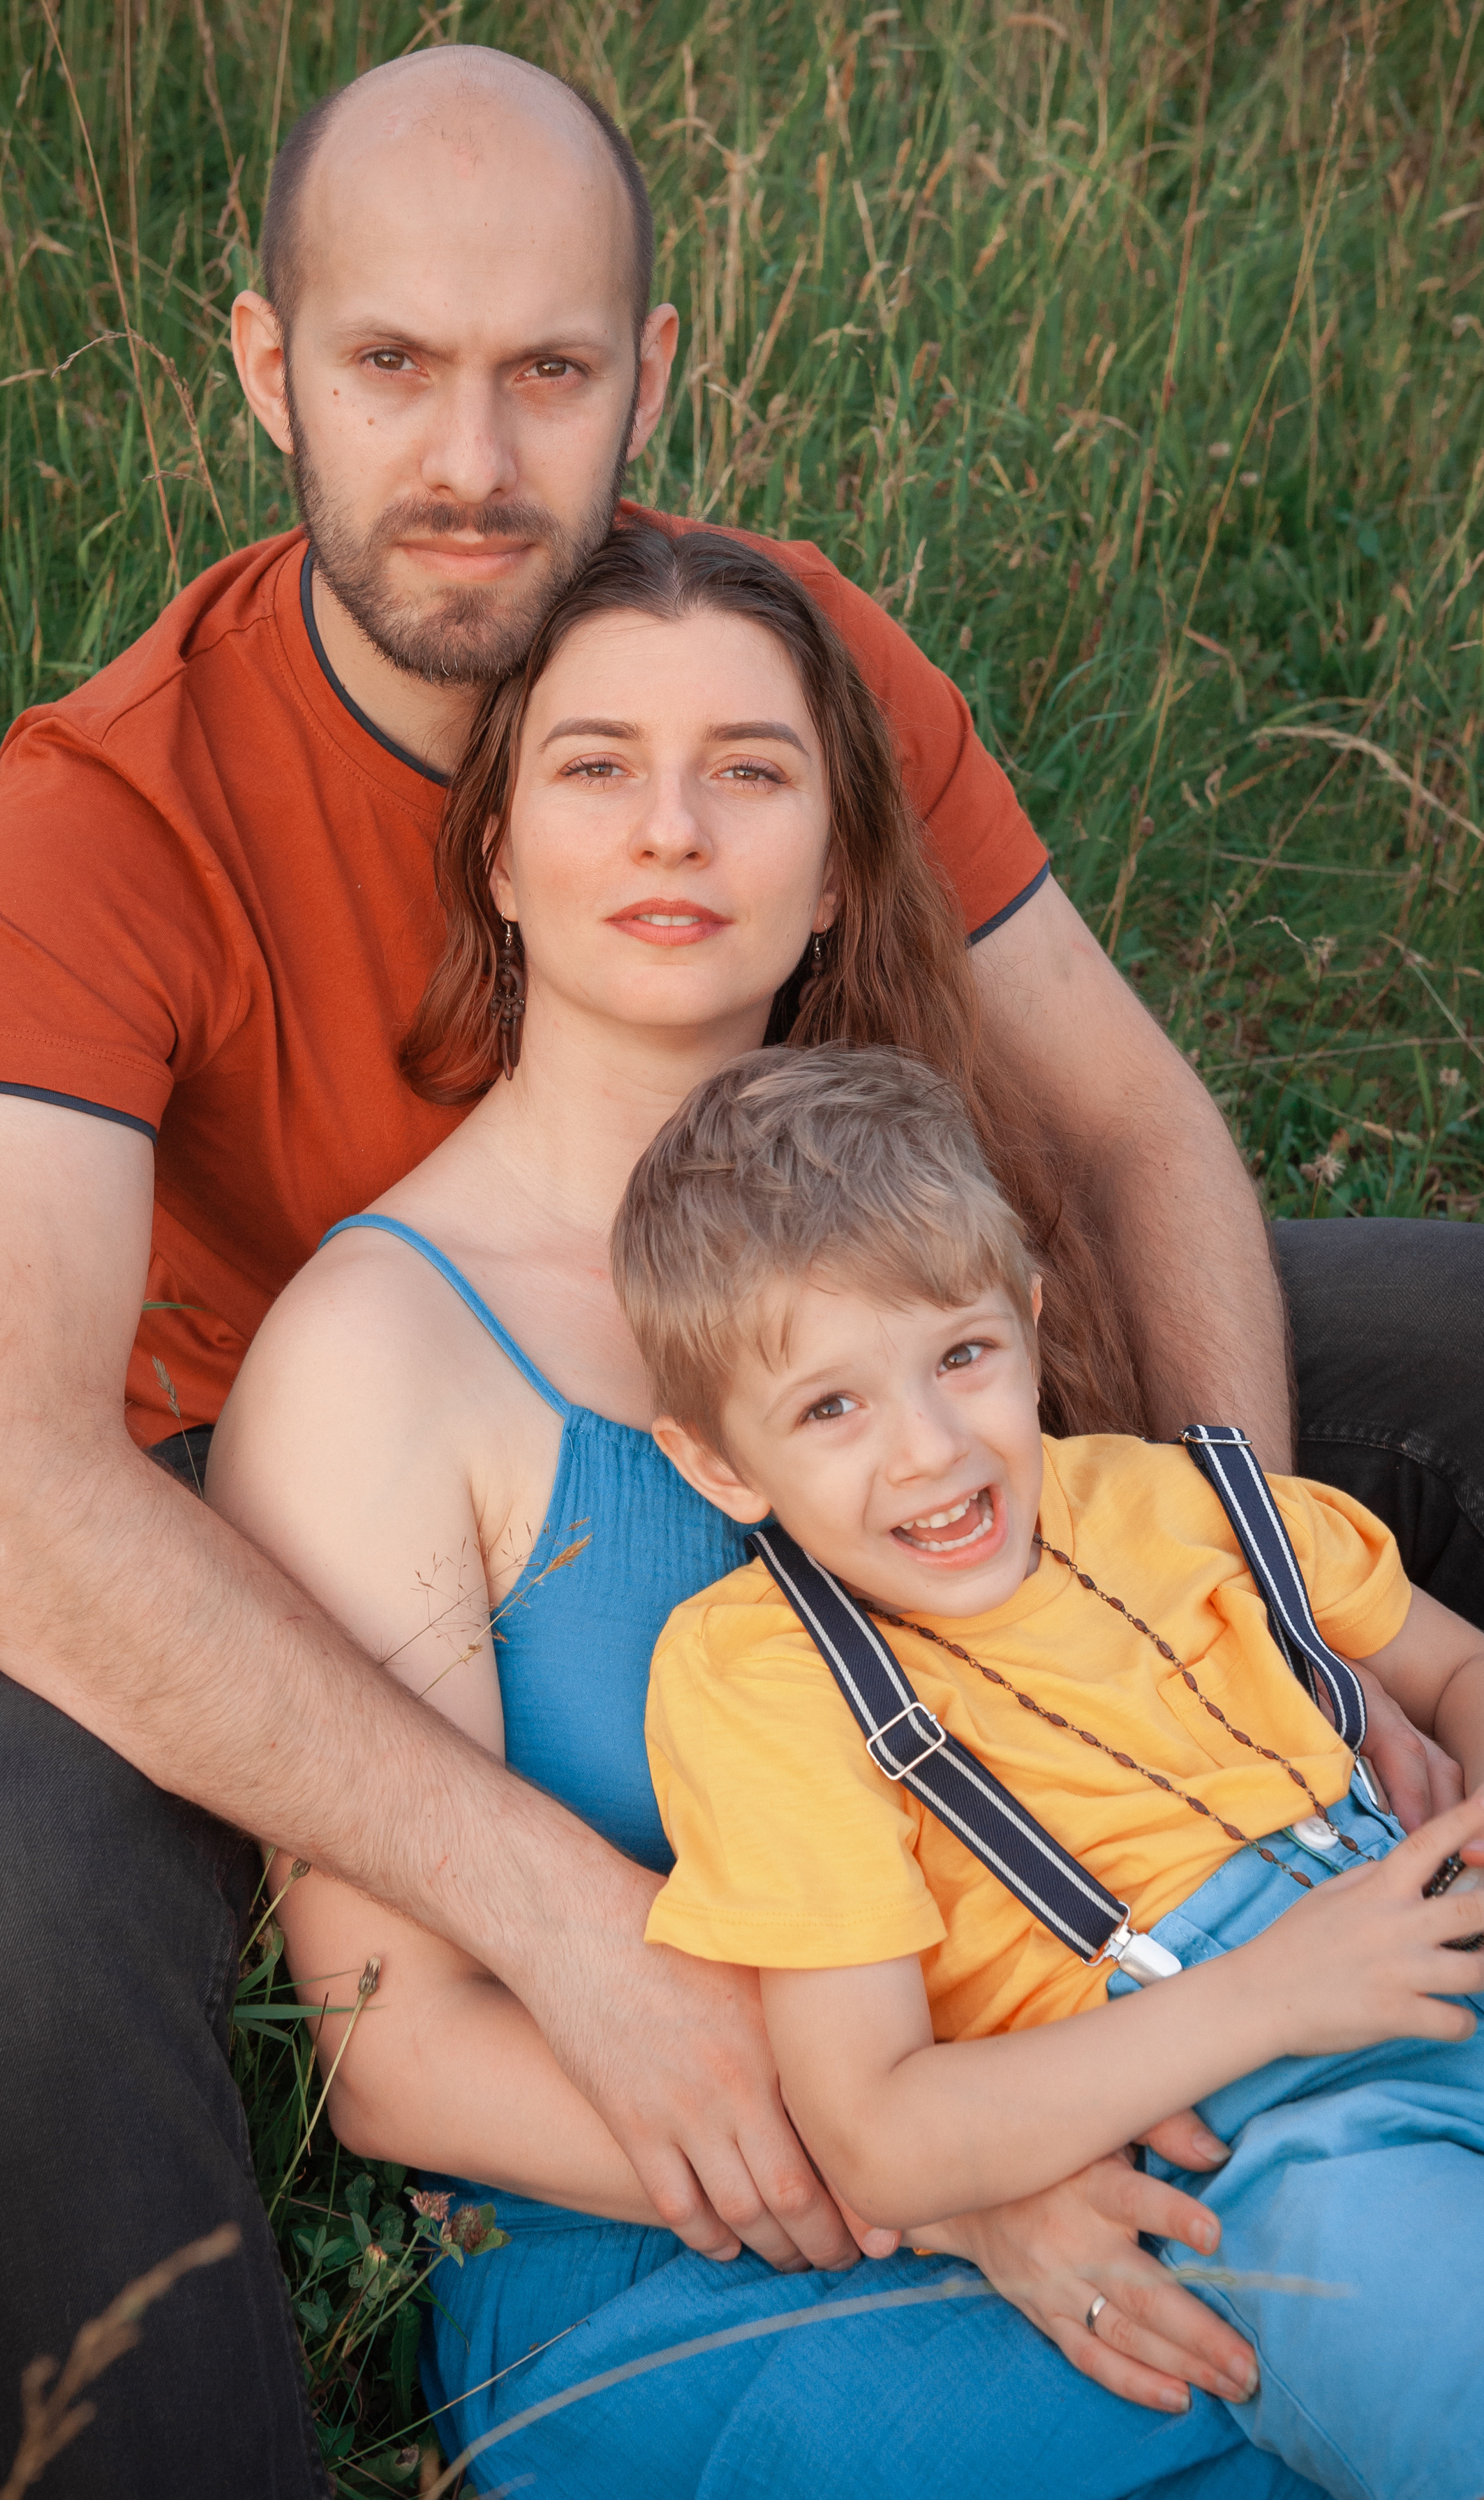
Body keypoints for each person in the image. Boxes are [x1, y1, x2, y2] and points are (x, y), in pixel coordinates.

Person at [0, 36, 1484, 2498]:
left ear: (649, 373)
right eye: (392, 365)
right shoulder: (115, 808)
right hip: (249, 1470)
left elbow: (1130, 1117)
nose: (469, 458)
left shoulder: (763, 645)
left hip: (857, 1285)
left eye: (546, 372)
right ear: (266, 369)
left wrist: (1223, 1641)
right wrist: (553, 1906)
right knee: (1, 1854)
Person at [208, 518, 1330, 2497]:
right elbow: (399, 2056)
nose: (672, 832)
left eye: (749, 770)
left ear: (831, 874)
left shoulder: (931, 1253)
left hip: (1127, 2079)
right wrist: (954, 2193)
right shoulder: (381, 1352)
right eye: (594, 767)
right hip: (693, 2254)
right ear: (497, 857)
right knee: (1352, 2368)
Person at [616, 1040, 1484, 2500]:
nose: (927, 1450)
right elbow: (877, 2137)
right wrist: (1274, 1989)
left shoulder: (1178, 1497)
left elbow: (1478, 1675)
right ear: (720, 1464)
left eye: (959, 1357)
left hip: (1466, 1945)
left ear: (1029, 1321)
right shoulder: (761, 1674)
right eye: (828, 1409)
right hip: (1289, 2148)